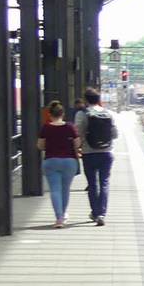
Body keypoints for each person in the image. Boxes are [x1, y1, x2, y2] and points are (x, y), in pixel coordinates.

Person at [75, 87, 119, 226]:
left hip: (89, 153)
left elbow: (78, 133)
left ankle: (95, 212)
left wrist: (79, 146)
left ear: (86, 100)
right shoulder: (109, 113)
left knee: (92, 183)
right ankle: (101, 213)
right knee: (104, 182)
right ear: (99, 99)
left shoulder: (82, 114)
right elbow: (115, 134)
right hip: (107, 153)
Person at [38, 100, 82, 228]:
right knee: (65, 189)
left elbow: (40, 146)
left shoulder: (46, 127)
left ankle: (59, 217)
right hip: (69, 162)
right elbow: (77, 144)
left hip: (51, 161)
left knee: (55, 190)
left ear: (50, 115)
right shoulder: (69, 126)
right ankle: (63, 214)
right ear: (62, 114)